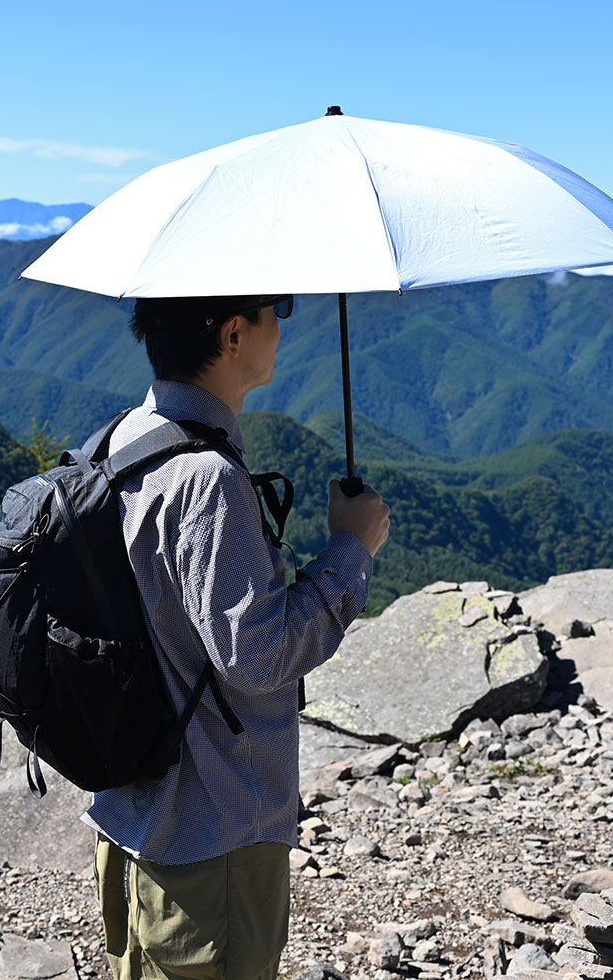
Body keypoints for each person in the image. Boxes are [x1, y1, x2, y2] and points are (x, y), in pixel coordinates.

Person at [86, 292, 390, 980]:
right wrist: (351, 550)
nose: (282, 324)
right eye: (274, 308)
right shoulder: (207, 481)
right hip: (211, 834)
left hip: (131, 817)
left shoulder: (121, 438)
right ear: (232, 333)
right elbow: (258, 657)